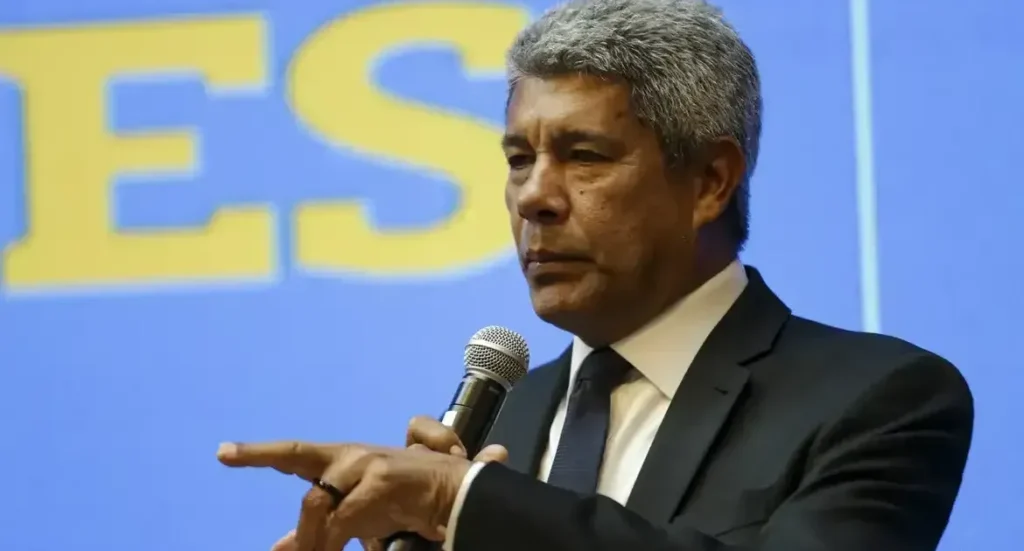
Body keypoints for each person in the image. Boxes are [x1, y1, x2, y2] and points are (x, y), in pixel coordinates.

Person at [216, 0, 975, 550]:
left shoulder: (879, 399)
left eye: (583, 156)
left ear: (710, 181)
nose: (534, 197)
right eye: (519, 159)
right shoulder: (500, 426)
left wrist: (464, 503)